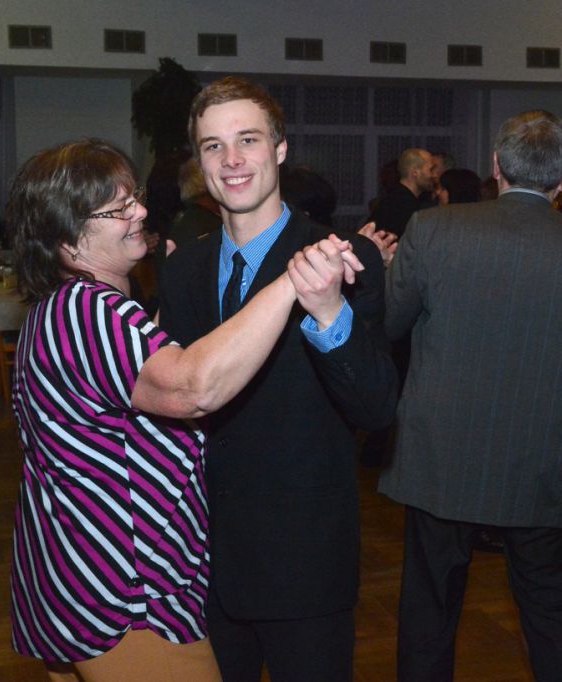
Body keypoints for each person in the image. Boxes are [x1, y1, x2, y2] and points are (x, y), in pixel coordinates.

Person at [6, 138, 365, 681]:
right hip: (124, 592)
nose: (141, 213)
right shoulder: (87, 310)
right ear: (67, 237)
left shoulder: (62, 309)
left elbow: (130, 389)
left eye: (135, 198)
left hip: (75, 575)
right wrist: (293, 279)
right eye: (118, 209)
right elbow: (192, 388)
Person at [379, 110, 562, 682]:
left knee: (429, 617)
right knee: (555, 620)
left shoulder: (431, 230)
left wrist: (386, 275)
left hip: (444, 459)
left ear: (496, 166)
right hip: (548, 465)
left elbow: (388, 325)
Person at [158, 77, 398, 682]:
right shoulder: (182, 270)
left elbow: (376, 408)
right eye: (213, 146)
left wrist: (330, 314)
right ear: (199, 163)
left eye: (248, 140)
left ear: (280, 149)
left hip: (303, 563)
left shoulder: (341, 256)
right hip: (201, 562)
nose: (231, 160)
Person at [367, 148, 437, 236]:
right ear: (415, 172)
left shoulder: (394, 199)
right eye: (431, 170)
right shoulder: (403, 206)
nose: (434, 175)